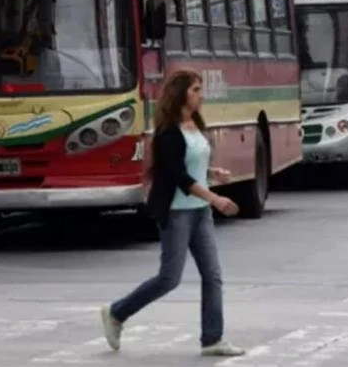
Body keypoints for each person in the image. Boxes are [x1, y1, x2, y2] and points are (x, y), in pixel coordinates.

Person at [100, 69, 245, 357]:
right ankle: (116, 312)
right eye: (195, 90)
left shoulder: (196, 124)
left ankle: (212, 339)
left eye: (200, 89)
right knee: (169, 278)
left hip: (199, 212)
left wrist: (213, 172)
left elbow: (193, 165)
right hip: (178, 212)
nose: (200, 95)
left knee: (213, 275)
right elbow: (178, 175)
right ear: (181, 94)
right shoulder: (168, 131)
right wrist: (216, 198)